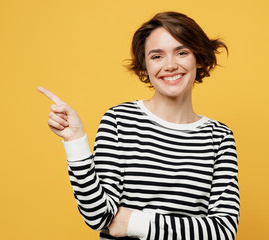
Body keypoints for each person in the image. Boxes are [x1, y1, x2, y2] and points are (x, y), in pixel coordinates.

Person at [37, 11, 239, 240]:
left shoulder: (219, 136)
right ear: (144, 67)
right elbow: (98, 217)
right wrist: (75, 141)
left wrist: (134, 222)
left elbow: (223, 232)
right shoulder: (119, 120)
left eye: (182, 52)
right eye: (157, 56)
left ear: (199, 59)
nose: (170, 65)